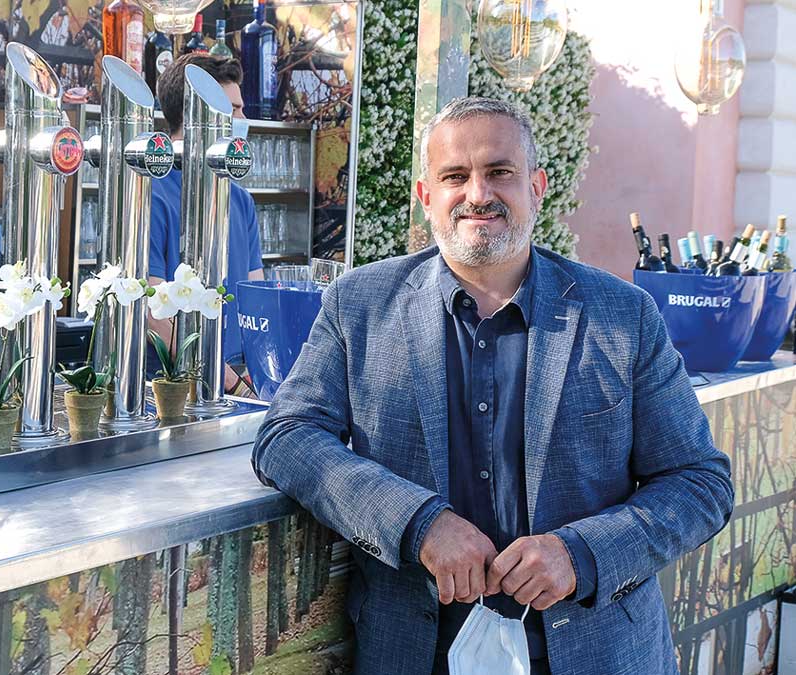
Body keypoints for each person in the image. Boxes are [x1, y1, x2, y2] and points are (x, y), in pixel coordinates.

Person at [252, 97, 734, 674]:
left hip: (594, 655)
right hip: (415, 653)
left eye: (499, 172)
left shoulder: (623, 316)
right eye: (455, 176)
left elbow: (699, 484)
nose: (478, 194)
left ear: (537, 185)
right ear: (427, 196)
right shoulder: (361, 305)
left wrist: (581, 554)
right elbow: (285, 436)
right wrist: (416, 522)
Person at [149, 55, 263, 395]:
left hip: (237, 378)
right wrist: (226, 379)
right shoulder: (152, 193)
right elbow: (152, 313)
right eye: (233, 110)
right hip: (170, 385)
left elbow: (257, 298)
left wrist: (260, 370)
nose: (242, 119)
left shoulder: (241, 199)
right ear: (195, 115)